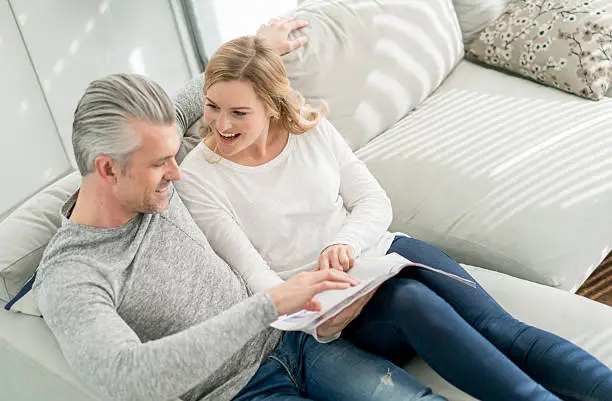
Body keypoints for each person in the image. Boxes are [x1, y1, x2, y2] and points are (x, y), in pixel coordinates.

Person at [174, 35, 612, 401]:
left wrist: (342, 243)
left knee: (503, 330)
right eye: (212, 107)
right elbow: (255, 276)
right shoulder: (198, 178)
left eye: (238, 113)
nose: (220, 125)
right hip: (328, 304)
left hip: (382, 253)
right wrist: (316, 306)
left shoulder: (309, 130)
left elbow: (372, 201)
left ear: (271, 106)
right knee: (409, 300)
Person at [32, 19, 451, 401]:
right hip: (236, 392)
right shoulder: (72, 275)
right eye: (161, 163)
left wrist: (257, 45)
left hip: (295, 344)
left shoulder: (145, 165)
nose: (178, 174)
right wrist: (270, 304)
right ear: (107, 168)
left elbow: (186, 105)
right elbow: (128, 376)